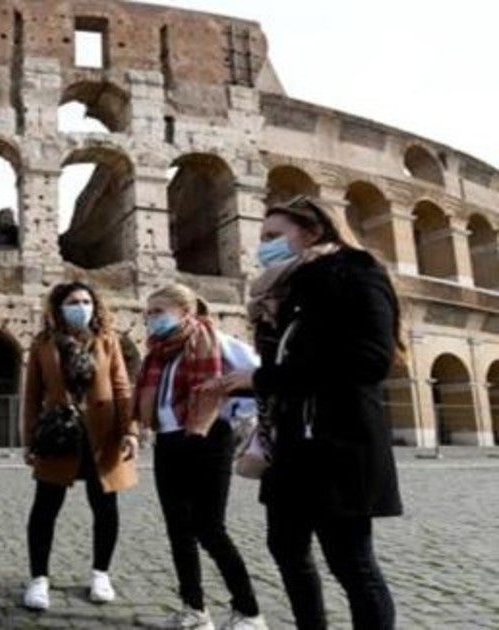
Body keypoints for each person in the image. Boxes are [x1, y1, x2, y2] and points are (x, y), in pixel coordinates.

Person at [218, 195, 403, 630]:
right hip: (291, 446)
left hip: (339, 441)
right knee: (285, 548)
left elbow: (371, 360)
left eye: (273, 236)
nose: (262, 246)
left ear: (314, 231)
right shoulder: (285, 291)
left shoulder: (358, 275)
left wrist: (262, 379)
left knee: (352, 564)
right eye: (262, 238)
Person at [134, 284, 267, 630]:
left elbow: (258, 378)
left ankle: (249, 612)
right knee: (178, 530)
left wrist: (232, 410)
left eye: (158, 311)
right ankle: (195, 610)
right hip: (168, 441)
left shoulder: (218, 341)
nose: (151, 319)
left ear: (185, 311)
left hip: (208, 437)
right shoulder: (157, 354)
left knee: (210, 528)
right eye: (148, 313)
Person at [21, 281, 137, 612]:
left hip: (103, 434)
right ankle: (38, 578)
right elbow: (31, 396)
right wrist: (29, 440)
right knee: (45, 507)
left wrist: (130, 430)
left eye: (87, 301)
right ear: (58, 307)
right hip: (59, 433)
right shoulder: (43, 343)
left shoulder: (107, 340)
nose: (82, 306)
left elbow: (121, 386)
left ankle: (101, 573)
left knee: (105, 507)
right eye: (73, 301)